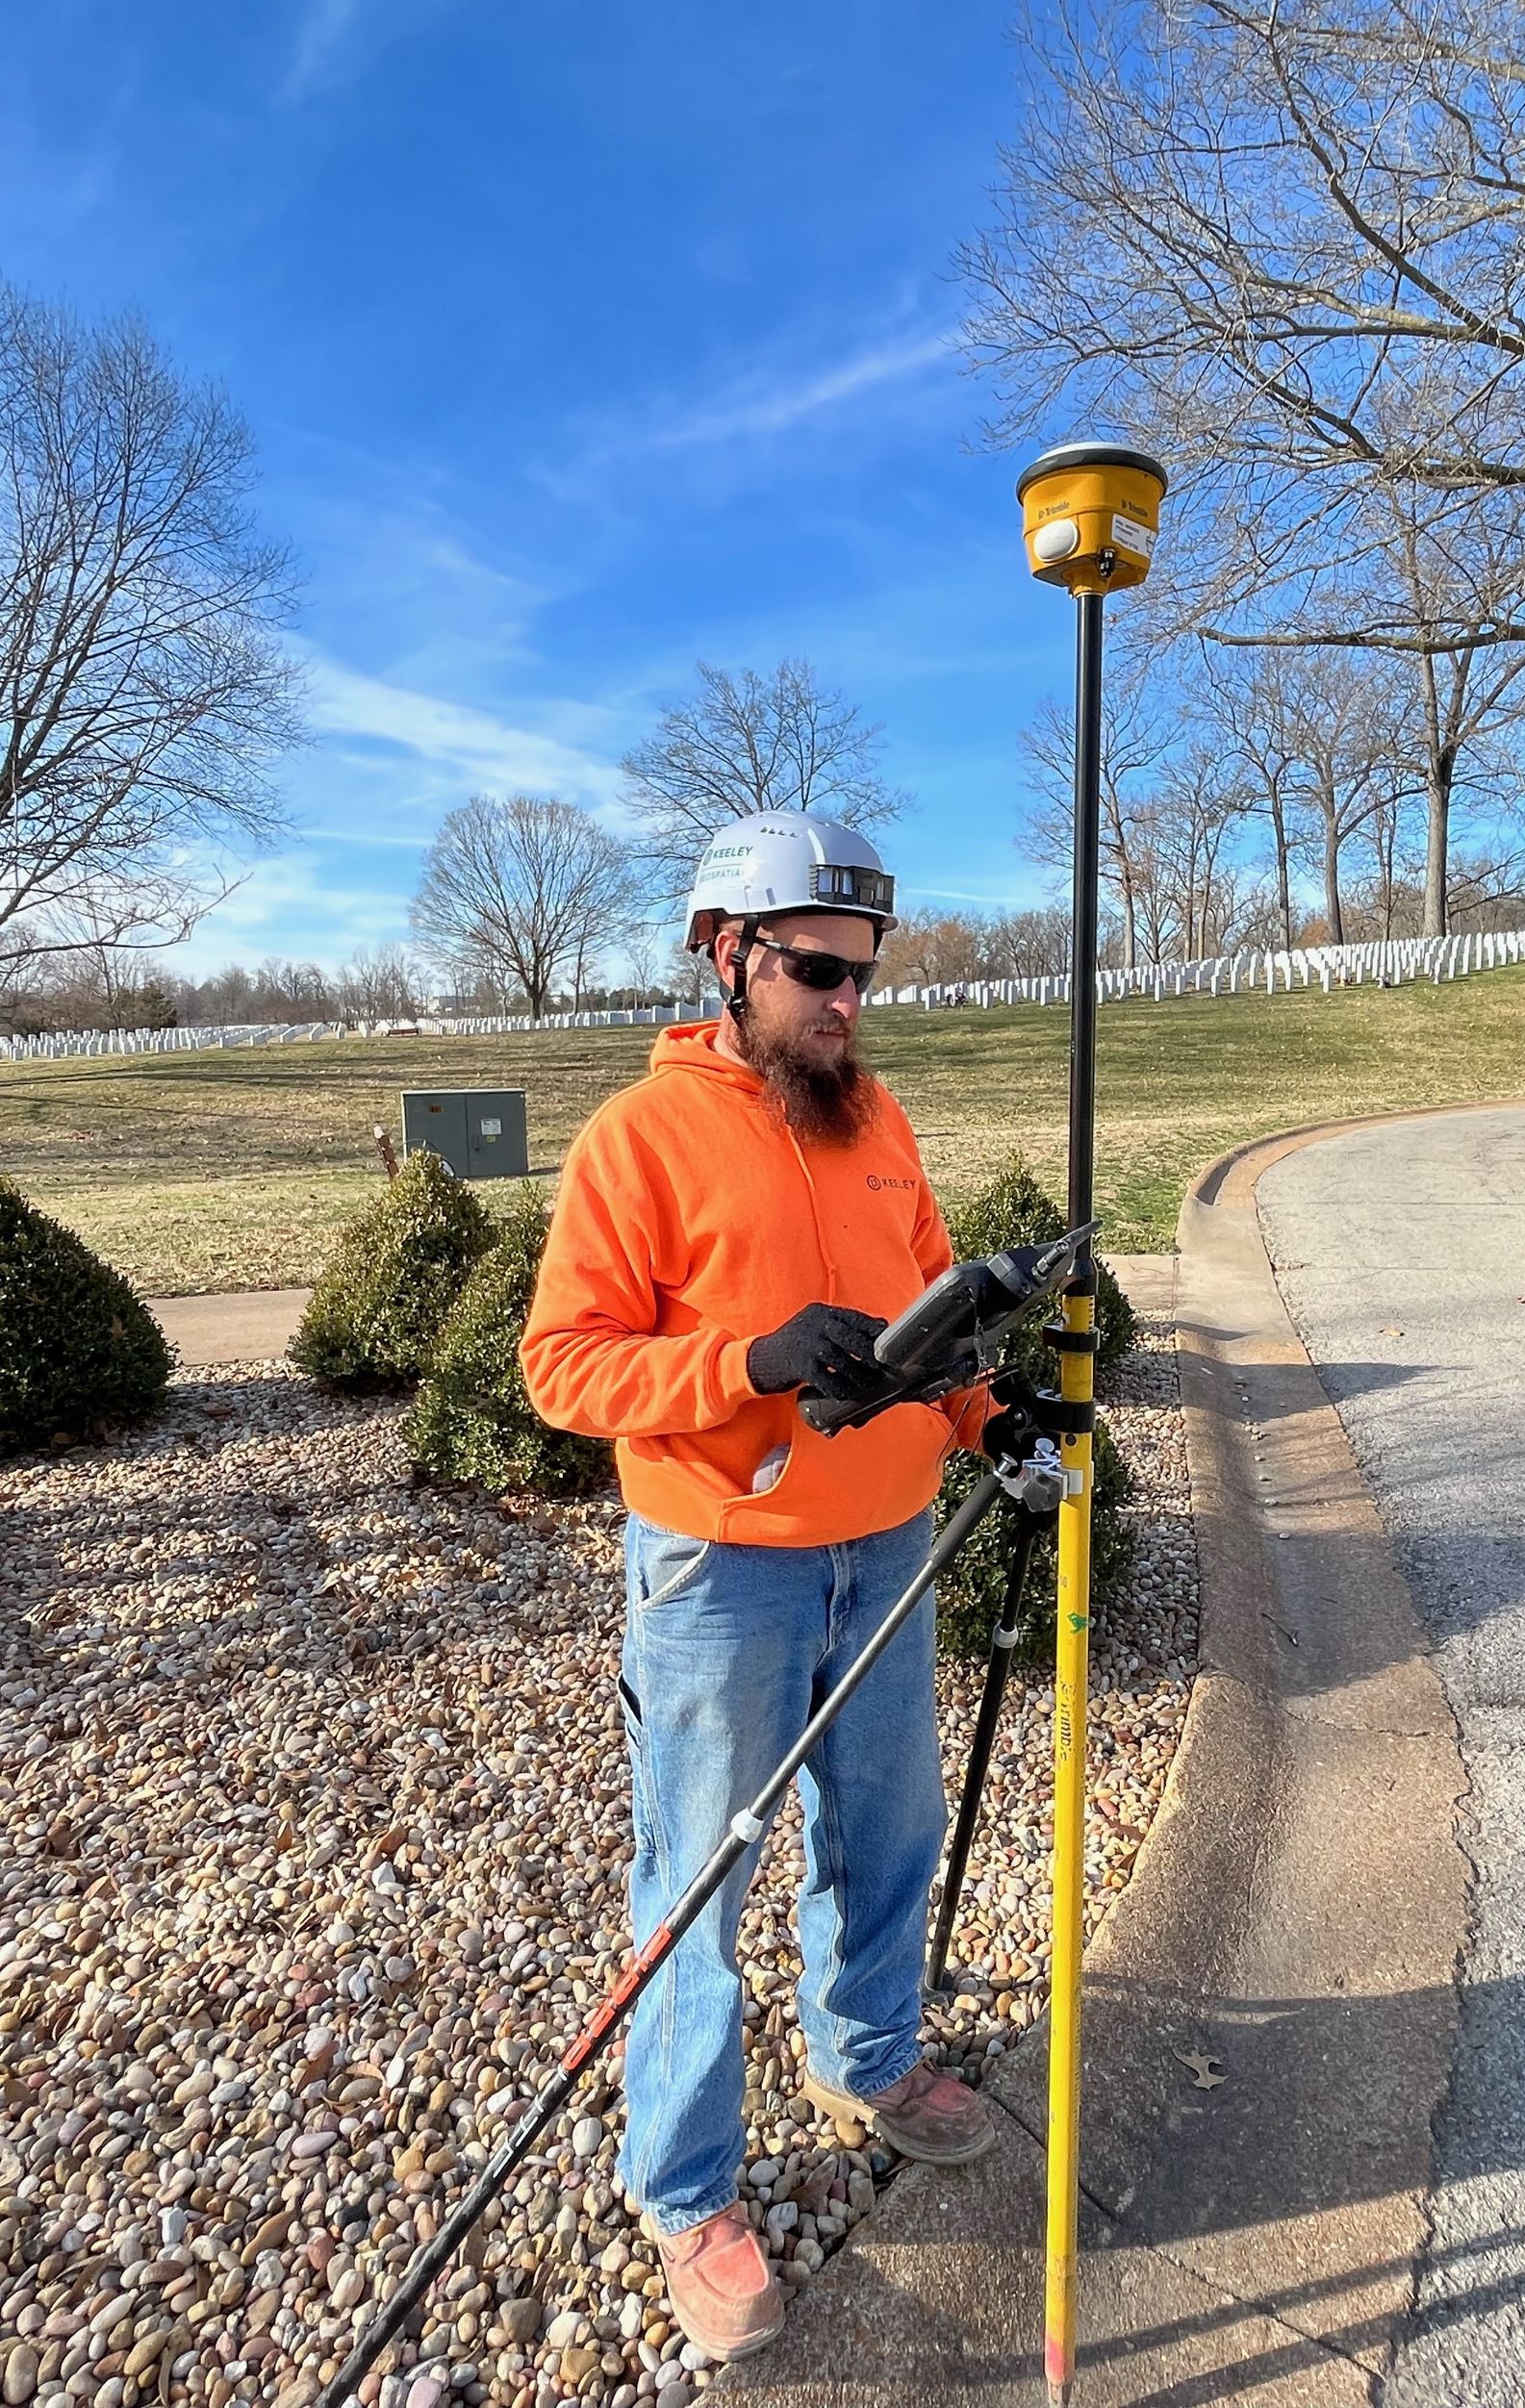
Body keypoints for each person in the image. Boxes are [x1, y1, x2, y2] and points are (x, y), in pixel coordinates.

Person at [520, 810, 1048, 2364]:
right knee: (700, 1882)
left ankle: (868, 2052)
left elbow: (934, 1311)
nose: (847, 1003)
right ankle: (686, 2188)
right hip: (721, 1574)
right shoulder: (639, 1138)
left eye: (864, 975)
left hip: (886, 1547)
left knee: (890, 1826)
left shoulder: (875, 1121)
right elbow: (560, 1367)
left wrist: (983, 1411)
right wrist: (742, 1360)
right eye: (818, 970)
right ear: (726, 955)